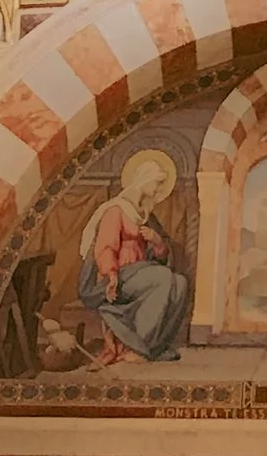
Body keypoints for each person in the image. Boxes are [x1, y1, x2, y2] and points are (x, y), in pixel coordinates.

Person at [77, 148, 191, 364]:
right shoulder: (116, 210)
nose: (158, 189)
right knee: (163, 278)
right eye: (157, 183)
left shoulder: (145, 216)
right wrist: (110, 275)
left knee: (181, 283)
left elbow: (158, 256)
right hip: (117, 277)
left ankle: (153, 346)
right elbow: (105, 246)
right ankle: (135, 346)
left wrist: (157, 242)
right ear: (144, 180)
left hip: (140, 274)